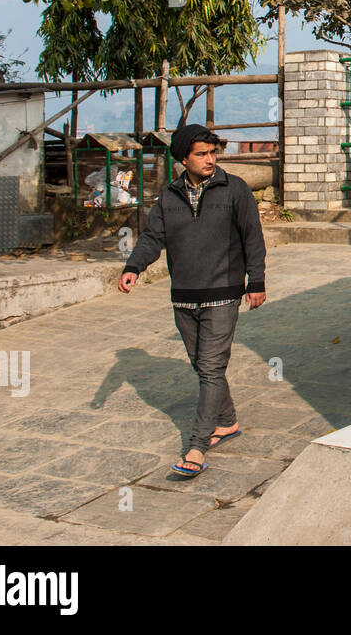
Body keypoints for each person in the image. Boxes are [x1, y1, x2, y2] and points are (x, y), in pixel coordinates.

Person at [117, 124, 267, 478]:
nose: (210, 160)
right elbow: (153, 237)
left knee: (211, 368)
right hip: (184, 297)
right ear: (184, 158)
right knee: (203, 366)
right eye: (201, 154)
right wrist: (133, 267)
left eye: (213, 153)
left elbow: (253, 237)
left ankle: (197, 446)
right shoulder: (169, 197)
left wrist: (255, 281)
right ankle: (227, 421)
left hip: (224, 293)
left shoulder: (236, 190)